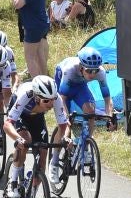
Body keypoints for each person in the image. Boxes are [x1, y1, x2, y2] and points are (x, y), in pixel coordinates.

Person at [50, 47, 116, 181]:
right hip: (62, 87)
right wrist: (66, 119)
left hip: (79, 86)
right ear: (81, 67)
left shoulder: (101, 72)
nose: (92, 74)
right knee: (64, 127)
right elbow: (62, 98)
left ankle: (85, 145)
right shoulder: (70, 69)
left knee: (90, 111)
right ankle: (54, 162)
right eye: (89, 71)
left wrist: (110, 118)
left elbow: (107, 99)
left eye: (95, 71)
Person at [4, 73, 57, 198]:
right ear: (37, 98)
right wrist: (17, 139)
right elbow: (7, 124)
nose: (50, 104)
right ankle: (13, 181)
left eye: (53, 99)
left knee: (43, 152)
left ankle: (32, 195)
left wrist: (66, 138)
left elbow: (63, 124)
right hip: (21, 115)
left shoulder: (55, 98)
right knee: (25, 141)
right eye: (46, 101)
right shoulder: (24, 96)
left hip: (36, 117)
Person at [7, 0, 50, 76]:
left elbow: (17, 4)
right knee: (40, 54)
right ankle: (44, 78)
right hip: (43, 25)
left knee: (30, 57)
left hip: (33, 27)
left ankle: (36, 83)